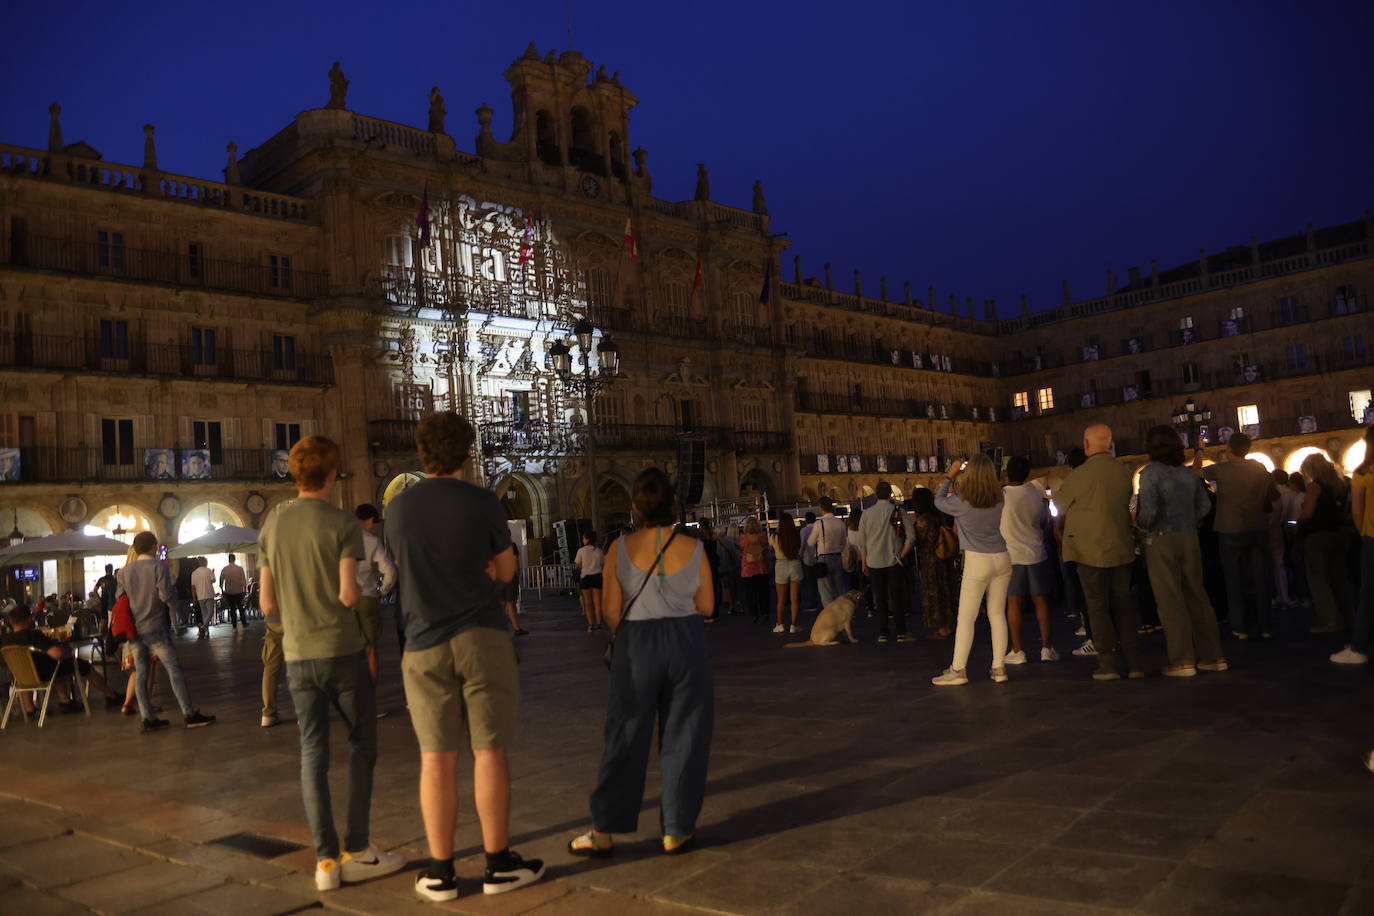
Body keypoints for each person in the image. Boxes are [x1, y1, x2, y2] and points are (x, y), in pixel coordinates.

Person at [384, 413, 544, 902]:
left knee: (435, 759)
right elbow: (504, 568)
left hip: (422, 641)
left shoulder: (398, 510)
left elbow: (401, 566)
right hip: (481, 635)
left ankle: (440, 873)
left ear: (422, 452)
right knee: (488, 751)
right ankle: (498, 866)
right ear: (467, 453)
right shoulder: (483, 502)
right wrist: (487, 566)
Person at [258, 436, 402, 892]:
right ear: (333, 474)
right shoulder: (342, 524)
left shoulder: (272, 524)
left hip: (298, 656)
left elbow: (266, 603)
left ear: (294, 472)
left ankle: (324, 862)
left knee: (312, 754)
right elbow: (347, 594)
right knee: (362, 744)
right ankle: (357, 848)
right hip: (341, 650)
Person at [568, 467, 713, 859]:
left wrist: (637, 629)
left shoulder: (619, 548)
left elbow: (611, 611)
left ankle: (604, 831)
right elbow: (708, 605)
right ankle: (677, 829)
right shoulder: (694, 547)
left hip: (637, 643)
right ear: (671, 505)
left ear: (635, 507)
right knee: (685, 735)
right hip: (685, 642)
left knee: (625, 735)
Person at [1136, 426, 1227, 677]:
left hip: (1161, 540)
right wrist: (1190, 522)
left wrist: (1139, 523)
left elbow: (1149, 512)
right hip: (1189, 538)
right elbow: (1205, 505)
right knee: (1197, 595)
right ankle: (1214, 656)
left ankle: (1183, 660)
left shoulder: (1150, 474)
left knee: (1170, 600)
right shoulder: (1187, 475)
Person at [1054, 425, 1143, 680]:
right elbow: (1131, 505)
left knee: (1098, 608)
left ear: (1086, 444)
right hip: (1121, 547)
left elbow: (1059, 505)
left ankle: (1108, 664)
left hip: (1089, 550)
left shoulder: (1079, 476)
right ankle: (1134, 663)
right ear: (1110, 443)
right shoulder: (1124, 473)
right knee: (1124, 606)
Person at [117, 531, 216, 730]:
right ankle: (189, 714)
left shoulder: (124, 572)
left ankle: (147, 718)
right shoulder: (158, 567)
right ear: (154, 547)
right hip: (155, 627)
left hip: (134, 631)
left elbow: (120, 598)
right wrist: (172, 592)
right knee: (174, 670)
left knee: (141, 673)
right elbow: (167, 596)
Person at [932, 455, 1011, 684]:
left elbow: (938, 500)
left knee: (966, 618)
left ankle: (958, 670)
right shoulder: (1000, 498)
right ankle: (999, 669)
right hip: (1002, 558)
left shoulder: (961, 501)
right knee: (997, 614)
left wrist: (951, 474)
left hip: (977, 560)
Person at [1195, 432, 1279, 639]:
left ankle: (1240, 627)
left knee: (1233, 580)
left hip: (1230, 529)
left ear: (1229, 449)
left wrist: (1200, 449)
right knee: (1260, 578)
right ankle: (1266, 626)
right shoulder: (1260, 468)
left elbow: (1196, 471)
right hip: (1258, 527)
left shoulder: (1222, 469)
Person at [1, 604, 120, 711]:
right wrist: (66, 649)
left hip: (18, 676)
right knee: (78, 664)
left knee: (41, 666)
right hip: (43, 674)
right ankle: (111, 696)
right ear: (29, 619)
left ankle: (30, 708)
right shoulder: (33, 635)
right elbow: (56, 653)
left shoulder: (5, 640)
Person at [1000, 456, 1057, 663]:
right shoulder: (1035, 493)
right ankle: (1046, 648)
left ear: (1007, 473)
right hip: (1036, 552)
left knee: (1013, 603)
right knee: (1041, 600)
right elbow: (1044, 522)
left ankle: (1017, 650)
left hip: (1011, 555)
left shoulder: (1001, 495)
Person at [1297, 451, 1353, 635]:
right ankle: (1347, 617)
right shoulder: (1341, 485)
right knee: (1339, 579)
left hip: (1318, 537)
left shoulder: (1315, 487)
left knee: (1319, 580)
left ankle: (1330, 621)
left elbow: (1308, 514)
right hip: (1339, 535)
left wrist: (1301, 515)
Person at [1333, 427, 1374, 665]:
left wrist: (1364, 534)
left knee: (1368, 594)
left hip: (1372, 538)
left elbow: (1357, 511)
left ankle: (1358, 648)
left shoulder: (1363, 473)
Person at [858, 481, 915, 643]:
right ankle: (901, 632)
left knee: (880, 599)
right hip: (893, 561)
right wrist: (901, 556)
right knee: (896, 598)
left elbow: (862, 542)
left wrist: (864, 562)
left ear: (876, 494)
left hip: (874, 562)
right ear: (890, 493)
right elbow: (911, 538)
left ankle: (883, 633)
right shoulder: (899, 511)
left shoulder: (866, 514)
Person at [354, 504, 398, 684]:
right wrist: (383, 590)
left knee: (350, 651)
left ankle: (353, 698)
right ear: (370, 520)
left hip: (346, 599)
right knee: (370, 649)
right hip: (368, 598)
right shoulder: (372, 541)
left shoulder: (340, 539)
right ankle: (370, 695)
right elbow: (390, 571)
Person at [911, 488, 954, 638]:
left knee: (935, 593)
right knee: (945, 591)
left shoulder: (923, 520)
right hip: (944, 558)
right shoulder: (938, 516)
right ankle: (947, 625)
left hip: (931, 561)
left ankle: (942, 628)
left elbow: (917, 540)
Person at [808, 497, 848, 608]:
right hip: (837, 557)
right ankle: (843, 612)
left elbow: (810, 542)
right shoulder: (840, 523)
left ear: (821, 508)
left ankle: (831, 615)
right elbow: (844, 542)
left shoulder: (819, 523)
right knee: (840, 587)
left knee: (826, 590)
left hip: (823, 559)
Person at [771, 512, 803, 633]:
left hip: (780, 565)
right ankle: (793, 625)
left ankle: (780, 624)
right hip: (795, 563)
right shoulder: (796, 535)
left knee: (781, 599)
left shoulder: (774, 537)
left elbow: (771, 548)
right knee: (794, 598)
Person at [738, 517, 770, 621]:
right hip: (761, 568)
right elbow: (766, 548)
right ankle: (764, 612)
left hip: (747, 569)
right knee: (763, 592)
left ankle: (753, 614)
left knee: (750, 594)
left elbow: (741, 549)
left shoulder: (743, 538)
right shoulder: (762, 536)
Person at [576, 530, 605, 632]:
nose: (583, 540)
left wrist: (584, 566)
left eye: (584, 538)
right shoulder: (599, 551)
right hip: (597, 576)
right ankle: (599, 623)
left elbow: (577, 564)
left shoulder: (581, 551)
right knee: (597, 602)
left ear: (587, 539)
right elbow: (602, 563)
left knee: (588, 603)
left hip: (586, 577)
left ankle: (590, 624)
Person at [798, 511, 820, 612]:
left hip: (807, 558)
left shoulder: (804, 530)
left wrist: (800, 555)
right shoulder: (818, 528)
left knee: (810, 582)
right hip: (819, 557)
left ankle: (813, 602)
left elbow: (802, 545)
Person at [219, 553, 248, 630]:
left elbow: (221, 580)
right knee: (240, 607)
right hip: (239, 591)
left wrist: (222, 590)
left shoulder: (225, 569)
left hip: (229, 592)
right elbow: (244, 581)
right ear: (234, 559)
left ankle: (234, 626)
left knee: (232, 609)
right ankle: (244, 624)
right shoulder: (240, 568)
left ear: (229, 559)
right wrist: (244, 590)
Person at [190, 556, 216, 638]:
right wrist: (213, 572)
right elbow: (213, 580)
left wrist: (194, 598)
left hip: (200, 596)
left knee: (204, 614)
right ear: (205, 562)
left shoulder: (194, 573)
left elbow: (193, 587)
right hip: (209, 594)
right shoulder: (208, 570)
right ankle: (204, 627)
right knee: (210, 612)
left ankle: (206, 632)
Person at [96, 563, 118, 633]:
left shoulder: (101, 579)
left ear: (105, 570)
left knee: (103, 619)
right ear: (111, 570)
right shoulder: (114, 580)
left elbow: (94, 590)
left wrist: (100, 598)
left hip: (104, 602)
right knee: (112, 620)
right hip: (113, 602)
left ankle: (100, 635)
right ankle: (111, 636)